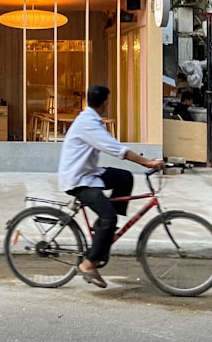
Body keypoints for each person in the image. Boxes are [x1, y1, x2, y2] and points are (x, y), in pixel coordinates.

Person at [58, 84, 165, 289]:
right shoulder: (88, 124)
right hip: (78, 179)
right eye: (108, 101)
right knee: (109, 216)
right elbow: (117, 149)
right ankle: (88, 264)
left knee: (124, 178)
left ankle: (103, 231)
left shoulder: (91, 120)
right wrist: (148, 162)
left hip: (89, 173)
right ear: (104, 102)